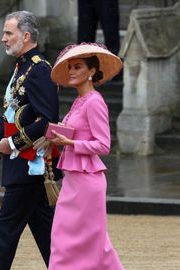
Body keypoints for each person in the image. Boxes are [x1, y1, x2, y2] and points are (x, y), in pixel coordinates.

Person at [0, 10, 60, 270]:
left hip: (30, 167)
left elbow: (47, 121)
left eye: (8, 33)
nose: (3, 38)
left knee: (6, 231)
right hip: (22, 167)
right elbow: (7, 118)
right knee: (49, 238)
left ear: (25, 36)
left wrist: (11, 144)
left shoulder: (40, 70)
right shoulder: (22, 67)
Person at [47, 42, 124, 269]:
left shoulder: (95, 102)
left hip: (87, 182)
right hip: (73, 178)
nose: (71, 71)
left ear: (91, 72)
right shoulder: (79, 101)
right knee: (70, 239)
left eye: (78, 67)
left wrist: (70, 142)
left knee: (82, 242)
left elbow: (103, 145)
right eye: (70, 67)